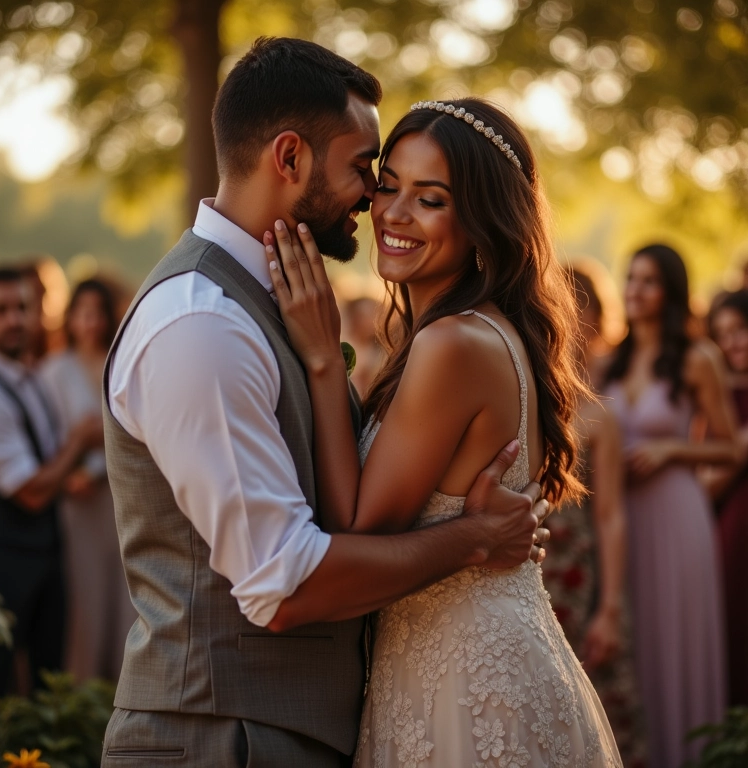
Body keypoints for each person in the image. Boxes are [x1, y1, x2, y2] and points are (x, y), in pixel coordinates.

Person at [100, 39, 550, 768]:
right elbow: (283, 583)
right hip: (222, 740)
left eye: (421, 193)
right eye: (366, 168)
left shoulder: (284, 307)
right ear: (290, 159)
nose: (375, 198)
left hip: (313, 726)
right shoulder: (201, 323)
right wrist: (471, 541)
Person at [265, 98, 621, 766]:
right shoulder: (467, 332)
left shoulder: (454, 344)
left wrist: (321, 359)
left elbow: (359, 527)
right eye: (389, 187)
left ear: (482, 220)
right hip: (454, 659)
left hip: (467, 680)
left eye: (430, 199)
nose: (394, 214)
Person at [604, 244, 736, 767]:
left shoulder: (697, 358)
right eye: (631, 278)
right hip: (621, 519)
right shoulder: (608, 361)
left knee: (676, 640)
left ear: (671, 291)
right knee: (634, 639)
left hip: (679, 515)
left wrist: (671, 449)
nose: (635, 290)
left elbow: (729, 445)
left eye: (650, 281)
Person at [0, 268, 102, 715]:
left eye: (21, 309)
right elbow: (32, 492)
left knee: (48, 677)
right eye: (0, 310)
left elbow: (49, 467)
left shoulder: (30, 377)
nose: (14, 320)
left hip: (45, 550)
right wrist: (80, 443)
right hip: (1, 556)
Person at [542, 270, 647, 767]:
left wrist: (609, 608)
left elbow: (610, 517)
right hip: (524, 571)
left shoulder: (599, 417)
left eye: (574, 307)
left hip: (578, 579)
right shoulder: (522, 395)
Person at [40, 279, 135, 682]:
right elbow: (56, 435)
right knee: (85, 595)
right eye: (82, 312)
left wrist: (91, 449)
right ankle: (80, 688)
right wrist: (78, 453)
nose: (90, 322)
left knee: (124, 593)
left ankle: (123, 684)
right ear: (70, 316)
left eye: (97, 312)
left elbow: (127, 428)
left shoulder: (121, 360)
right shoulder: (54, 370)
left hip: (120, 495)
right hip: (77, 501)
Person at [707, 289, 748, 707]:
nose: (734, 342)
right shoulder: (719, 393)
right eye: (725, 334)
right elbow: (708, 481)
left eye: (741, 329)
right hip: (736, 525)